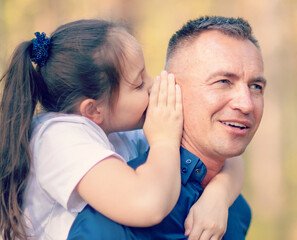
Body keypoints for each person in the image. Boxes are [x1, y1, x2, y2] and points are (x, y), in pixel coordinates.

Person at [0, 18, 247, 240]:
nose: (153, 85)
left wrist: (218, 197)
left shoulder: (119, 129)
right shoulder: (57, 138)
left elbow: (224, 155)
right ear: (93, 110)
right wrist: (164, 141)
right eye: (139, 83)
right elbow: (149, 204)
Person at [68, 15, 266, 240]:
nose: (246, 103)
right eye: (223, 81)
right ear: (170, 88)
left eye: (256, 86)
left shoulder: (237, 210)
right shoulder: (118, 212)